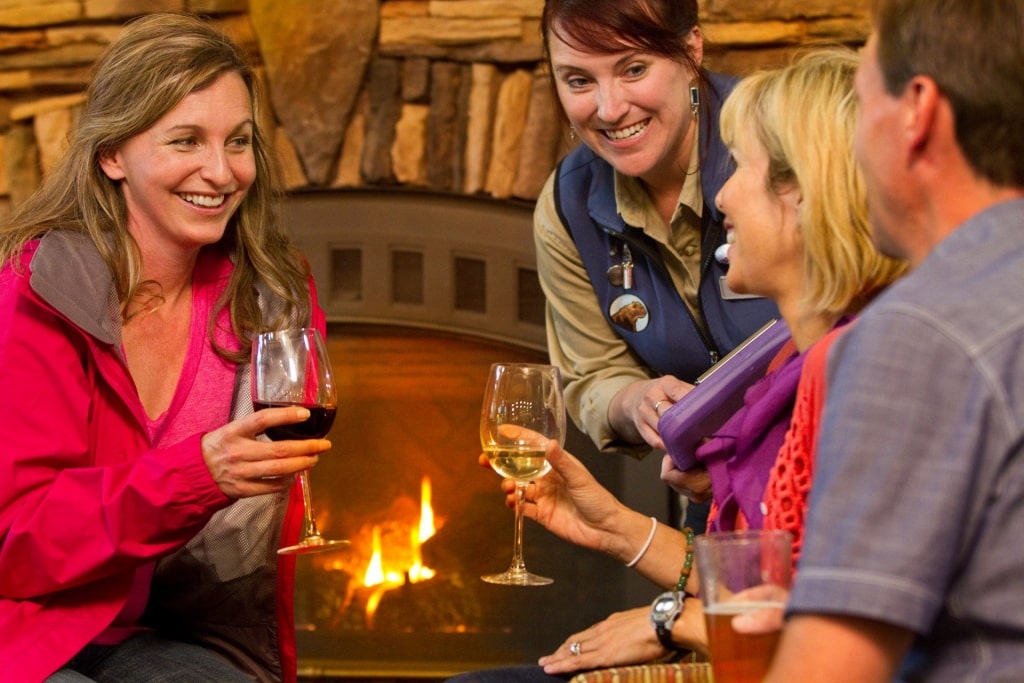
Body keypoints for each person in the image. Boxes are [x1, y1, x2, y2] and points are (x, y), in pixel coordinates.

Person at [447, 48, 906, 682]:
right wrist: (615, 526)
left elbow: (848, 634)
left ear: (802, 194)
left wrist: (673, 622)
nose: (720, 195)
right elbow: (777, 576)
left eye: (741, 167)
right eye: (578, 79)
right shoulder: (794, 373)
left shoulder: (861, 379)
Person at [0, 12, 331, 683]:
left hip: (177, 631)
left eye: (237, 141)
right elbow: (15, 541)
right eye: (185, 140)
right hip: (32, 620)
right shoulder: (39, 290)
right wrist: (193, 475)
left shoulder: (274, 292)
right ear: (112, 154)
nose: (220, 171)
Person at [763, 1, 1024, 680]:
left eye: (860, 101)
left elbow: (828, 672)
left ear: (917, 111)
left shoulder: (918, 333)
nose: (850, 146)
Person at [534, 0, 776, 504]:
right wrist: (634, 401)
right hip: (713, 511)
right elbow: (592, 374)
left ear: (691, 50)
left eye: (634, 69)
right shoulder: (566, 206)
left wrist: (751, 466)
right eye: (578, 80)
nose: (609, 108)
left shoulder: (779, 144)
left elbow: (858, 333)